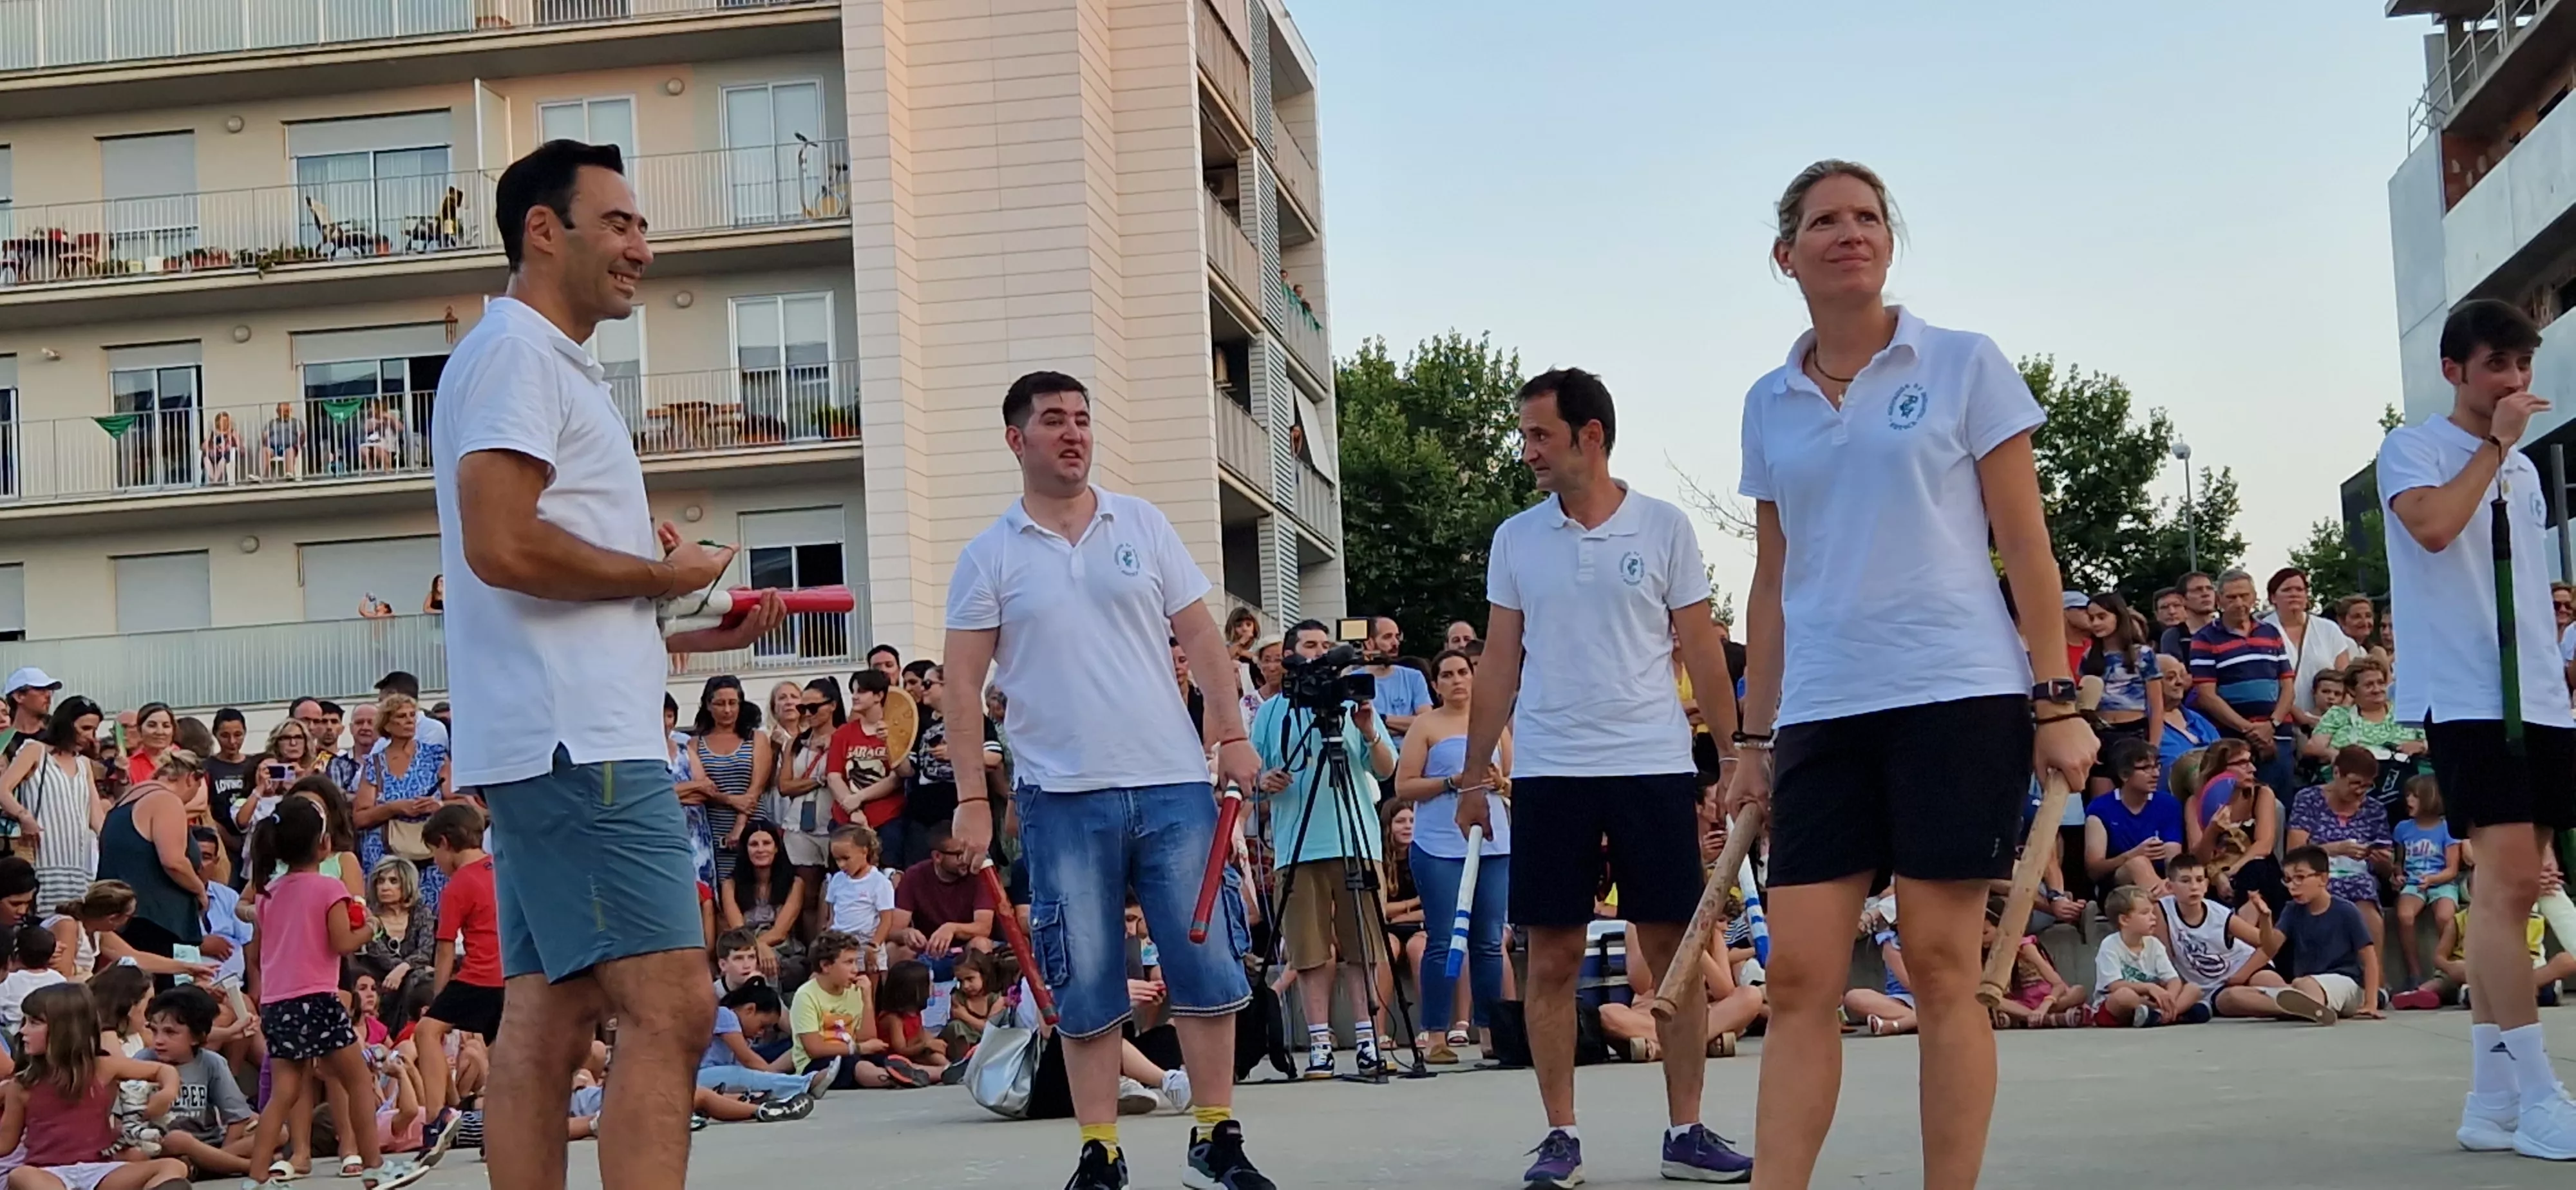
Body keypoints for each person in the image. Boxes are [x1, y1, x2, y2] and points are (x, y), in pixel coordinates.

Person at [1723, 160, 2091, 1190]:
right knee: (1800, 974)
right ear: (1785, 253)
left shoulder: (1965, 362)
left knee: (1940, 966)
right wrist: (1751, 739)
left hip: (1955, 695)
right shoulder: (1769, 401)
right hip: (1822, 710)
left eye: (1869, 217)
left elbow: (2026, 544)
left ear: (1890, 240)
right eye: (1825, 221)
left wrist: (2055, 699)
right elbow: (1772, 576)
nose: (1851, 233)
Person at [433, 138, 786, 1190]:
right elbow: (503, 544)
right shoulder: (519, 356)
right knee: (673, 1004)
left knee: (550, 1012)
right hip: (577, 744)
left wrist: (679, 621)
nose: (642, 246)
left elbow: (534, 577)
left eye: (642, 226)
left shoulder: (528, 358)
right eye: (620, 223)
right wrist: (657, 574)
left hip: (556, 735)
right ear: (545, 231)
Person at [940, 369, 1271, 1190]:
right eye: (1053, 420)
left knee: (1205, 964)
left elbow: (1202, 638)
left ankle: (1215, 1137)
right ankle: (1100, 1149)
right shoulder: (989, 555)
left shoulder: (1143, 524)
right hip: (1061, 795)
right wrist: (973, 799)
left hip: (1171, 783)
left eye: (1082, 419)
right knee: (1084, 975)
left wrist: (1231, 734)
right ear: (1016, 439)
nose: (1073, 433)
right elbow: (961, 686)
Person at [1456, 363, 1748, 1184]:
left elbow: (1702, 650)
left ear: (1590, 436)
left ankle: (1686, 1130)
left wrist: (1733, 757)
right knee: (1550, 956)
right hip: (1552, 770)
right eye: (1524, 435)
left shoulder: (1663, 527)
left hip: (1651, 764)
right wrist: (1474, 776)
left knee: (1674, 953)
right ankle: (1561, 1136)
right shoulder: (1516, 538)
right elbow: (1500, 660)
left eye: (1539, 435)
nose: (1527, 451)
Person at [2375, 298, 2576, 1158]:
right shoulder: (2414, 448)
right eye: (2497, 364)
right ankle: (2536, 1090)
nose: (2514, 380)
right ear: (2454, 370)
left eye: (2523, 364)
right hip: (2467, 695)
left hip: (2539, 695)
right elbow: (2430, 529)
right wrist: (2492, 447)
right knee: (2504, 889)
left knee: (2520, 886)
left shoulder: (2523, 470)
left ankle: (2492, 1098)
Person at [1252, 619, 1400, 1077]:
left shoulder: (1351, 702)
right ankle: (1319, 1042)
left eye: (1325, 645)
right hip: (1298, 844)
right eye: (1310, 645)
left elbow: (1385, 769)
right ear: (1291, 655)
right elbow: (1252, 773)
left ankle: (1367, 1038)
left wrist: (1368, 729)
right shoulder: (1271, 712)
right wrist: (1264, 780)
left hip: (1355, 838)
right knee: (1309, 949)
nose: (1320, 652)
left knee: (1363, 944)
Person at [238, 798, 410, 1188]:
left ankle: (256, 1175)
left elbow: (264, 946)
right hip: (317, 998)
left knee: (284, 1091)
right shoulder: (330, 888)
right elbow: (342, 942)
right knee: (357, 1079)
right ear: (324, 844)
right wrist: (372, 927)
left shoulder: (268, 893)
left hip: (278, 1003)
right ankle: (373, 1165)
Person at [1392, 648, 1511, 1065]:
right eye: (1448, 674)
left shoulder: (1494, 722)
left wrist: (1500, 783)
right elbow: (1404, 786)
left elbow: (1512, 780)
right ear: (1436, 684)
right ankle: (1436, 1033)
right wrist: (1450, 782)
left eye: (1463, 672)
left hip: (1491, 844)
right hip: (1440, 845)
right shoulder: (1425, 725)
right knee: (1442, 939)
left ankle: (1491, 1032)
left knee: (1489, 941)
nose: (1457, 680)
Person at [0, 983, 190, 1190]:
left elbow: (163, 1071)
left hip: (100, 1171)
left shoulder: (103, 1067)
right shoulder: (22, 1085)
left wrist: (167, 1093)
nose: (23, 1030)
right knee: (21, 1175)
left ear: (65, 1029)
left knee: (173, 1167)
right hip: (48, 1174)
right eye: (25, 1022)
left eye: (34, 1023)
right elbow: (5, 1143)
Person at [2224, 845, 2382, 1027]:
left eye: (2300, 878)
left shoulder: (2346, 911)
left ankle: (2301, 1007)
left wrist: (2371, 1003)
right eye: (2288, 880)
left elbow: (2369, 959)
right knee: (2231, 997)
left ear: (2323, 879)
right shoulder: (2292, 910)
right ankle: (2298, 1009)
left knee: (2305, 984)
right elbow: (2269, 949)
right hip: (2303, 986)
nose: (2292, 886)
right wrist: (2265, 919)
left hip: (2343, 984)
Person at [91, 748, 206, 963]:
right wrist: (199, 889)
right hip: (151, 917)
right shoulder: (166, 800)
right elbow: (173, 861)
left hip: (122, 911)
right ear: (191, 779)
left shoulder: (125, 800)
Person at [2188, 570, 2297, 796]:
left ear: (2254, 597)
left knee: (2281, 800)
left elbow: (2287, 685)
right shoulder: (2204, 638)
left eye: (2244, 596)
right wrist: (2250, 729)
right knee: (2238, 800)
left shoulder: (2271, 632)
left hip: (2278, 735)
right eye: (2231, 597)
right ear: (2219, 600)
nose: (2239, 603)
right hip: (2233, 739)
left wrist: (2272, 724)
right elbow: (2207, 695)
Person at [0, 697, 107, 910]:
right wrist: (24, 815)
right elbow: (3, 789)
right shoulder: (35, 750)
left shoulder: (84, 764)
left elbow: (96, 817)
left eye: (94, 730)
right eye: (85, 728)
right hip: (43, 856)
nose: (90, 736)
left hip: (78, 862)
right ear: (66, 724)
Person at [352, 693, 452, 917]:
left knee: (431, 917)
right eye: (401, 716)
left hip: (429, 854)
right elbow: (360, 818)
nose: (409, 721)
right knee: (388, 917)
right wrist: (395, 808)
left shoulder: (436, 756)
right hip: (386, 855)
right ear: (387, 724)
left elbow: (458, 801)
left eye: (411, 715)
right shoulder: (375, 763)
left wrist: (437, 805)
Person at [144, 985, 258, 1179]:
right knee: (177, 1141)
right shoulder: (143, 1061)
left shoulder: (212, 1063)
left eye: (170, 1033)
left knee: (278, 1132)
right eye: (155, 1031)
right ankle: (245, 1166)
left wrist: (221, 1152)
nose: (159, 1041)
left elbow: (237, 1118)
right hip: (167, 1147)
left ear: (197, 1037)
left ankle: (211, 1165)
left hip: (211, 1143)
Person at [2284, 746, 2395, 945]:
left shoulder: (2374, 809)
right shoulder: (2308, 799)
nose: (2360, 791)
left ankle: (2374, 966)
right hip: (2318, 876)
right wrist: (2335, 849)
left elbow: (2386, 870)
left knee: (2369, 913)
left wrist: (2382, 861)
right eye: (2355, 783)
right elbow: (2294, 854)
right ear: (2337, 773)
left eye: (2367, 786)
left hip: (2360, 880)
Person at [786, 930, 907, 1091]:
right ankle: (893, 1079)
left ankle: (933, 1073)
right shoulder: (806, 995)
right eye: (849, 962)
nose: (855, 969)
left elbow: (868, 1040)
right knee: (853, 1064)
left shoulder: (854, 991)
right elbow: (814, 1049)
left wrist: (867, 999)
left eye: (856, 962)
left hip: (852, 1053)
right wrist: (859, 1048)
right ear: (826, 966)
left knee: (884, 1059)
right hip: (816, 1065)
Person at [2081, 737, 2185, 899]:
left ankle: (2165, 901)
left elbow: (2173, 857)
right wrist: (2133, 854)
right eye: (2146, 769)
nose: (2156, 774)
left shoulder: (2169, 805)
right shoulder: (2100, 809)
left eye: (2157, 766)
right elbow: (2094, 871)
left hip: (2163, 882)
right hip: (2118, 887)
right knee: (2138, 864)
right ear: (2124, 775)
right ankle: (2168, 905)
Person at [690, 677, 772, 882]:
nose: (727, 710)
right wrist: (730, 799)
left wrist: (740, 825)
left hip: (753, 826)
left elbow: (757, 788)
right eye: (720, 703)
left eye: (733, 703)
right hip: (713, 826)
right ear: (708, 705)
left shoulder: (757, 738)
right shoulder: (695, 744)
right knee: (720, 886)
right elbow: (701, 787)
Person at [2089, 885, 2204, 1027]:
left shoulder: (2154, 944)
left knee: (2194, 988)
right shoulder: (2110, 945)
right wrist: (2149, 988)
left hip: (2153, 1000)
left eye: (2152, 912)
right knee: (2124, 995)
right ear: (2124, 920)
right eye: (2145, 913)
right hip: (2119, 1005)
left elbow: (2173, 980)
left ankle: (2162, 1014)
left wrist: (2169, 998)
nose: (2153, 917)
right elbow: (2114, 985)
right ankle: (2175, 1014)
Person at [885, 831, 994, 976]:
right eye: (959, 854)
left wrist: (952, 928)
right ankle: (903, 991)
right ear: (937, 856)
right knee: (894, 949)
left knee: (981, 944)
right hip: (927, 950)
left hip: (964, 950)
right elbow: (892, 930)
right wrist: (906, 934)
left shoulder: (979, 875)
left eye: (968, 853)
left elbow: (984, 927)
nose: (965, 860)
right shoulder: (915, 875)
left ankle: (981, 990)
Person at [700, 981, 828, 1102]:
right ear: (750, 1009)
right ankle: (806, 1083)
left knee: (748, 1079)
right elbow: (748, 1059)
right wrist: (772, 1075)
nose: (762, 1033)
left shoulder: (745, 1037)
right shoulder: (726, 1015)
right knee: (742, 1075)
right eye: (763, 1026)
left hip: (709, 1079)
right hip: (698, 1076)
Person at [719, 824, 805, 988]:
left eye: (766, 843)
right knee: (746, 963)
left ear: (776, 848)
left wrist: (761, 948)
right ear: (745, 849)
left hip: (783, 949)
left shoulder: (795, 883)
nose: (761, 849)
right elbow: (739, 930)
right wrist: (758, 948)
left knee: (766, 963)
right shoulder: (730, 885)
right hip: (743, 947)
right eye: (754, 844)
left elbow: (780, 932)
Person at [2300, 656, 2425, 762]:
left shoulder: (2406, 712)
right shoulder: (2338, 715)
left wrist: (2421, 746)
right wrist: (2337, 756)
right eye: (2369, 685)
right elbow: (2313, 748)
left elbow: (2433, 742)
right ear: (2352, 690)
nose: (2377, 690)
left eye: (2381, 683)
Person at [825, 670, 901, 838]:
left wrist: (859, 798)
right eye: (853, 691)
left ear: (879, 695)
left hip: (887, 818)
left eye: (861, 691)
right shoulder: (843, 733)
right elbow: (834, 776)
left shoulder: (895, 730)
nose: (854, 697)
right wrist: (853, 809)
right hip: (846, 820)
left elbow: (896, 777)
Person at [363, 857, 437, 1019]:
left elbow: (425, 952)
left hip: (413, 984)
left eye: (393, 881)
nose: (385, 887)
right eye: (380, 881)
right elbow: (380, 957)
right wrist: (408, 969)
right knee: (419, 975)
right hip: (381, 985)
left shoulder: (421, 913)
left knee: (419, 979)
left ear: (407, 884)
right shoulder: (369, 916)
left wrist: (403, 969)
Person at [821, 826, 896, 968]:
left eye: (846, 858)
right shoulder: (837, 880)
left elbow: (886, 920)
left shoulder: (879, 882)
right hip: (841, 948)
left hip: (867, 947)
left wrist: (874, 946)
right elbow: (832, 916)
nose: (841, 865)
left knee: (866, 981)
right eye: (837, 860)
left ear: (864, 851)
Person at [2151, 654, 2220, 795]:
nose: (2180, 682)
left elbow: (2224, 755)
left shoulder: (2198, 719)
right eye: (2170, 678)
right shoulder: (2145, 727)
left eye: (2181, 676)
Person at [1357, 617, 1433, 744]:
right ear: (1369, 643)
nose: (1395, 643)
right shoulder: (1353, 680)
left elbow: (1427, 723)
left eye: (1397, 637)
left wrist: (1382, 720)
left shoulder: (1414, 677)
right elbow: (1356, 731)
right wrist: (1406, 725)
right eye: (1387, 637)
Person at [2157, 572, 2217, 660]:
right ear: (2182, 599)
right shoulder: (2174, 636)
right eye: (2198, 590)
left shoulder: (2228, 629)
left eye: (2210, 588)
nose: (2206, 594)